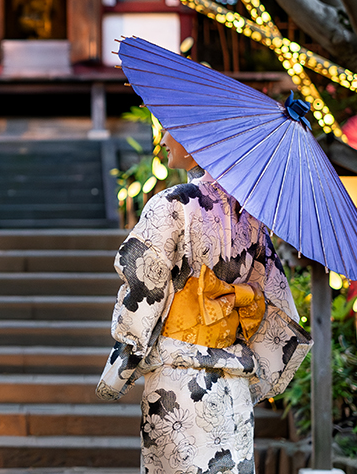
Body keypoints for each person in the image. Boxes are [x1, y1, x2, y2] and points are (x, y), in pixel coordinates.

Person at [98, 131, 311, 474]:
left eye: (170, 132)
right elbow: (272, 295)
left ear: (197, 141)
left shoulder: (171, 205)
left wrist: (127, 352)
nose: (163, 141)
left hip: (178, 379)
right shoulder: (252, 218)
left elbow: (142, 282)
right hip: (233, 384)